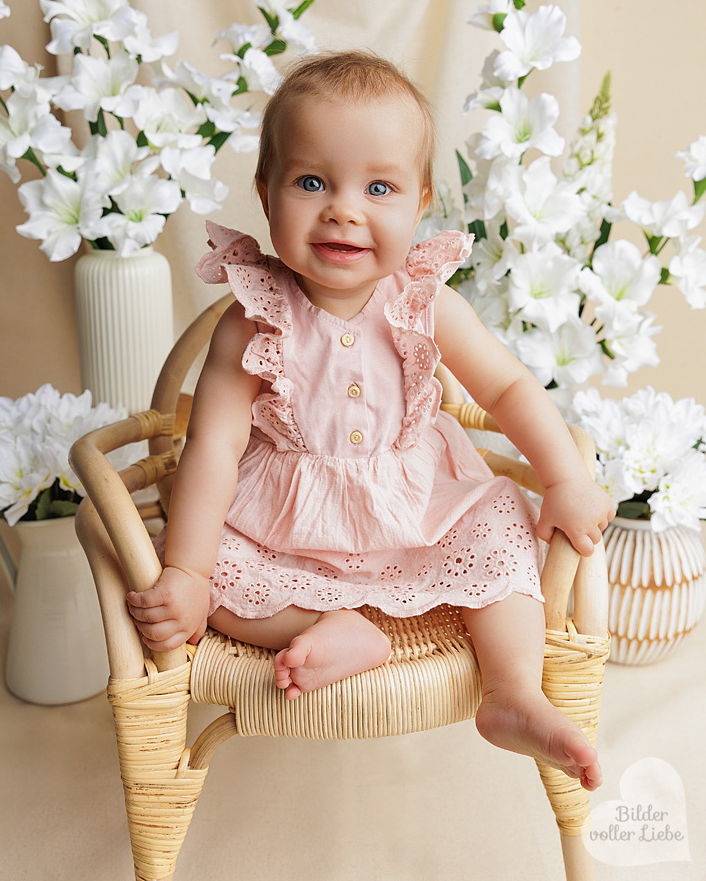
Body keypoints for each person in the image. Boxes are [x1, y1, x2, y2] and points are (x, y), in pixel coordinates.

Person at [127, 51, 615, 791]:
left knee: (503, 522)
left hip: (416, 508)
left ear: (419, 203)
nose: (343, 209)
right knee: (213, 576)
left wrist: (567, 477)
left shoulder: (425, 303)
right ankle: (327, 629)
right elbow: (215, 446)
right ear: (266, 194)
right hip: (288, 521)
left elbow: (511, 387)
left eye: (378, 187)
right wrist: (189, 573)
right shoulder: (250, 318)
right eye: (311, 182)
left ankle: (512, 689)